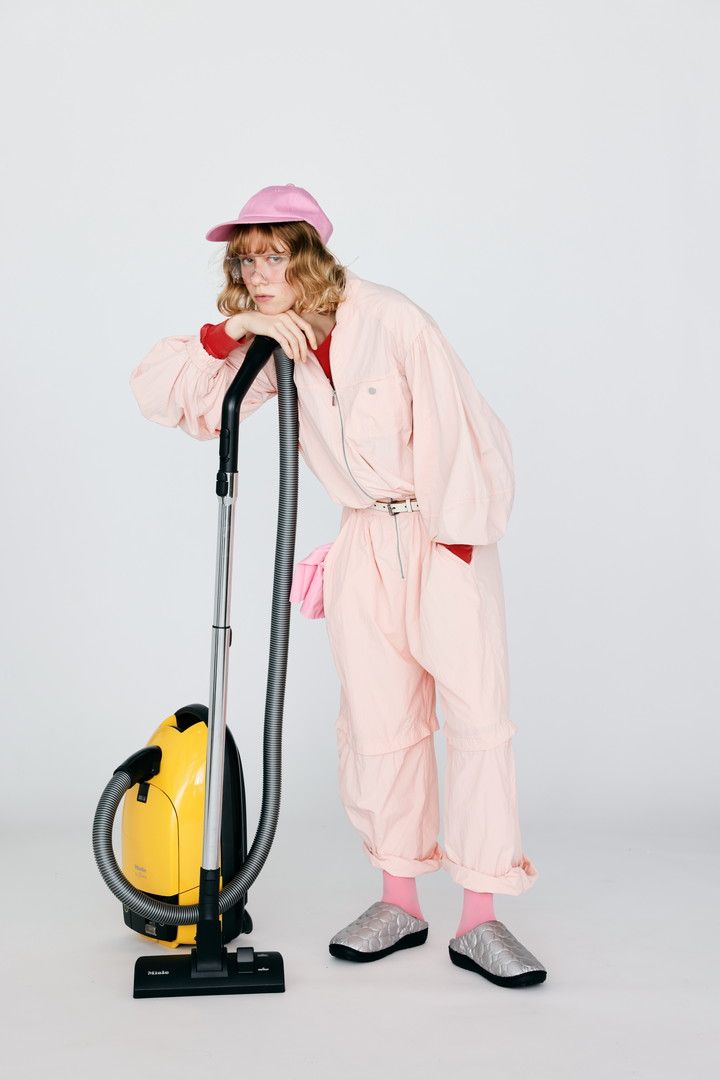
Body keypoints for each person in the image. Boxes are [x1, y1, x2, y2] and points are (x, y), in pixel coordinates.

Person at [131, 184, 547, 988]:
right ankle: (400, 899)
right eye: (245, 262)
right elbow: (167, 394)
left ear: (311, 256)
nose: (257, 275)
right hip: (361, 542)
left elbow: (466, 429)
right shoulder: (277, 343)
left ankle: (480, 917)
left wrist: (455, 548)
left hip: (441, 534)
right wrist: (234, 332)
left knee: (475, 723)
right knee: (379, 724)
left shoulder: (392, 320)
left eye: (273, 257)